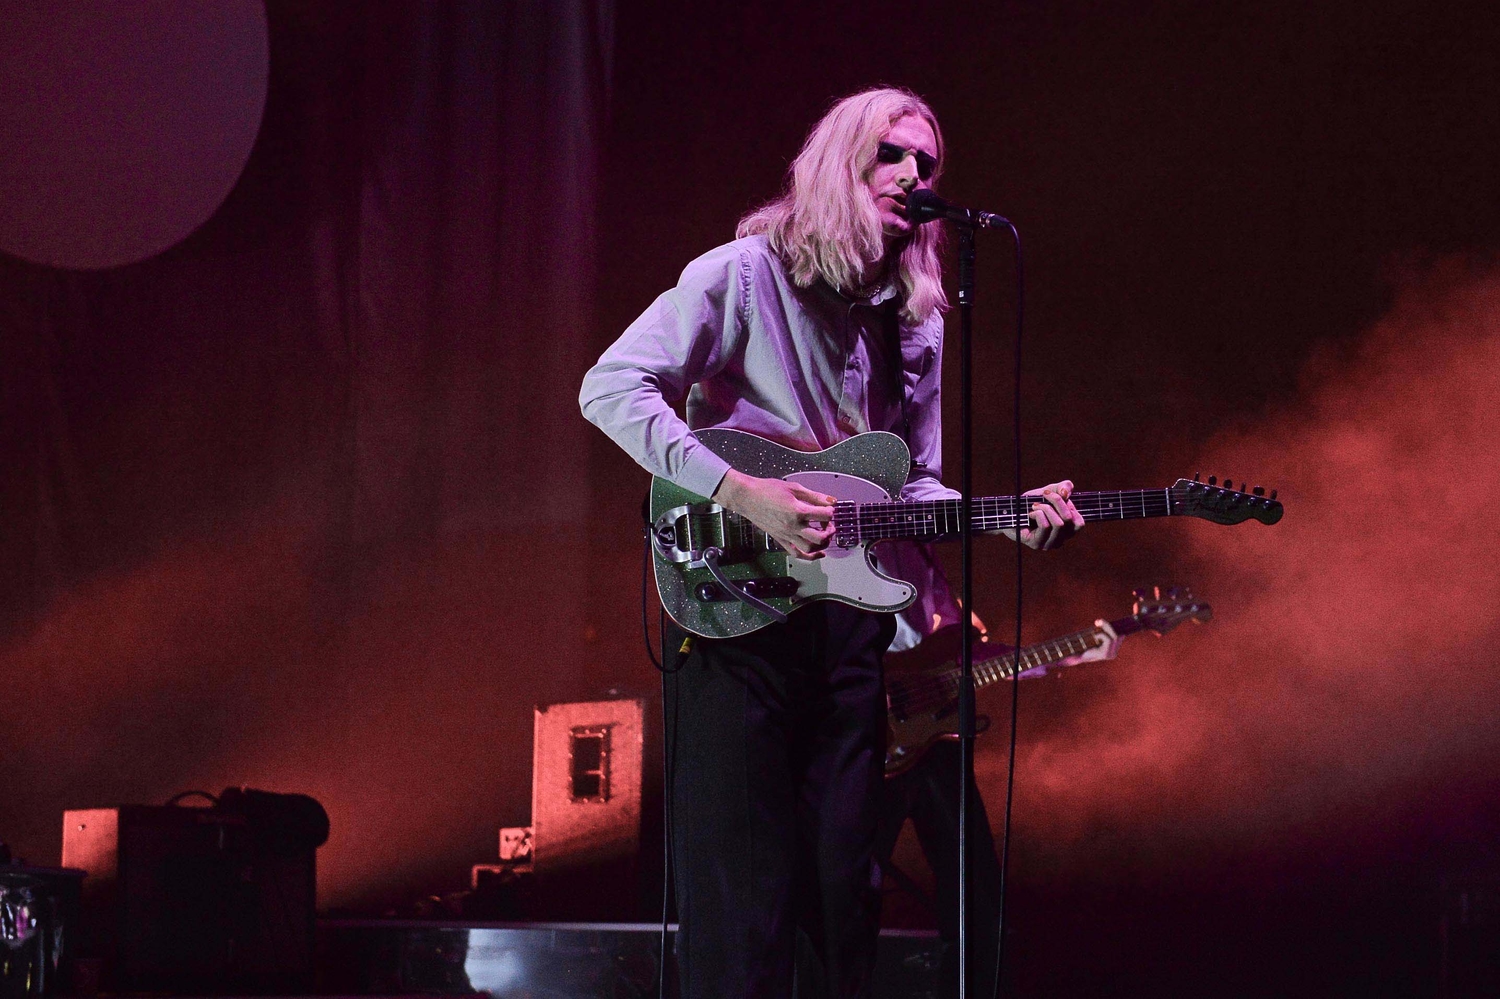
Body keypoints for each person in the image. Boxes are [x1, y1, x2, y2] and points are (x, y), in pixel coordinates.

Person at [579, 87, 1085, 999]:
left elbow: (913, 482)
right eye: (891, 155)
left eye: (928, 165)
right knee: (742, 910)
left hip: (850, 634)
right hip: (734, 613)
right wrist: (744, 492)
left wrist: (1007, 516)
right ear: (836, 162)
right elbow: (611, 387)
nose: (913, 177)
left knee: (838, 903)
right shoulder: (738, 275)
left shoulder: (916, 318)